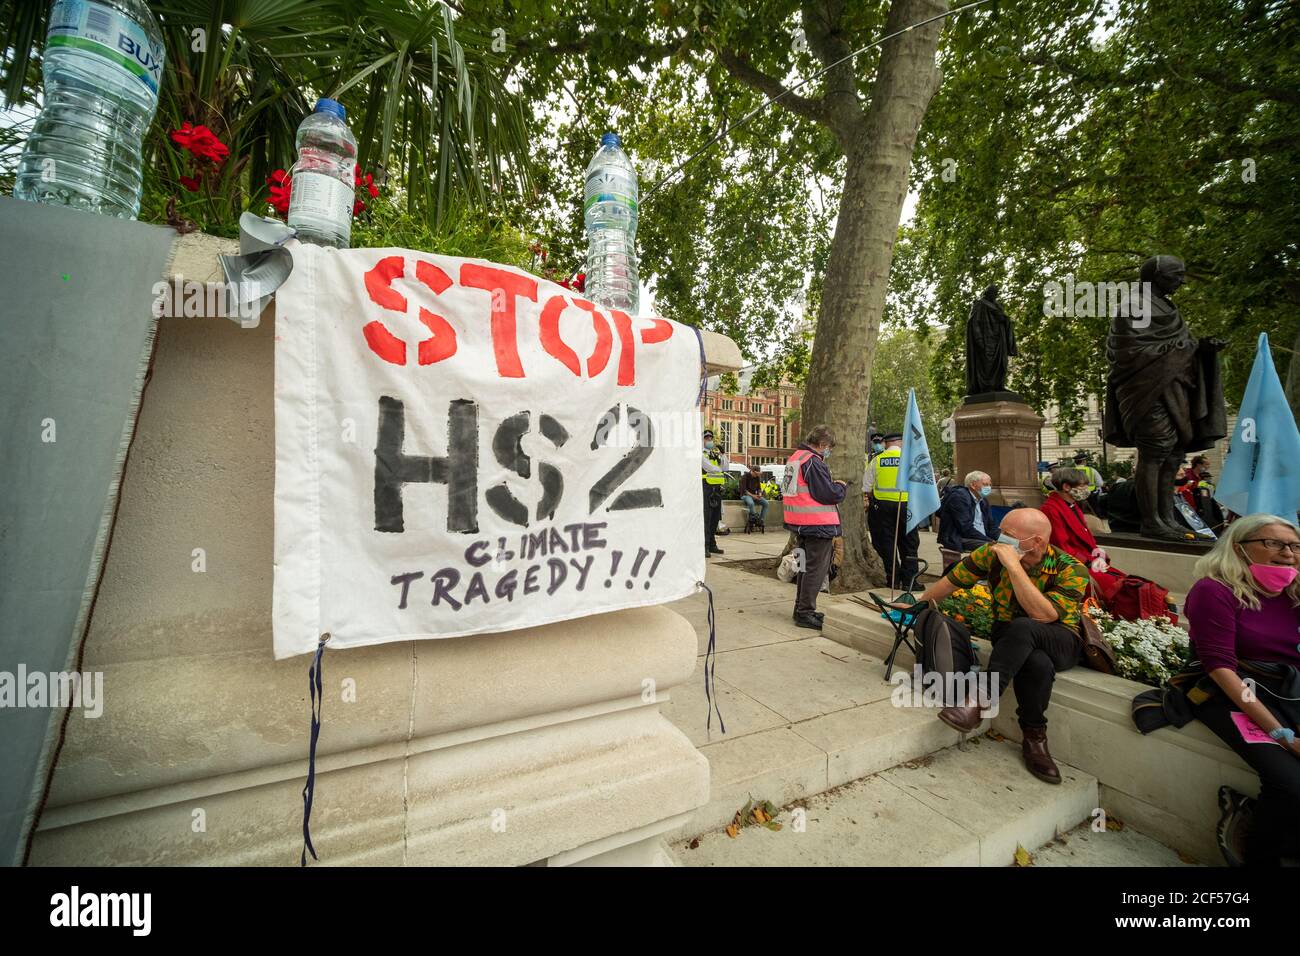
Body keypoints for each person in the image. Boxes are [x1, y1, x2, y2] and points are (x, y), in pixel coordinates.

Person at [902, 509, 1090, 784]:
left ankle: (978, 701)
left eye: (1010, 536)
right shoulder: (991, 554)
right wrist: (916, 605)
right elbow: (952, 582)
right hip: (1011, 634)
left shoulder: (1070, 568)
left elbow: (1045, 616)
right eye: (1000, 532)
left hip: (1059, 637)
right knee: (1036, 661)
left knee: (1025, 626)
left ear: (1036, 541)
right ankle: (1034, 738)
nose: (1000, 540)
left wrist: (1014, 566)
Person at [1182, 515, 1300, 866]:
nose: (1287, 553)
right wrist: (1283, 735)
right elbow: (1221, 670)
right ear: (1239, 548)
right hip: (1231, 694)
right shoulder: (1214, 591)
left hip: (1288, 692)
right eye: (1273, 543)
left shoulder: (1294, 595)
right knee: (1291, 784)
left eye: (1294, 546)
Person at [783, 425, 848, 630]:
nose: (829, 452)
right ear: (822, 444)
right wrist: (840, 486)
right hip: (817, 525)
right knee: (815, 569)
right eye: (829, 448)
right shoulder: (812, 461)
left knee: (803, 567)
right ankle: (805, 612)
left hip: (798, 524)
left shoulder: (795, 458)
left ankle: (801, 608)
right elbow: (827, 494)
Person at [1040, 466, 1127, 605]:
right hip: (1069, 563)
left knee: (1123, 580)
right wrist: (1088, 562)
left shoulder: (1072, 505)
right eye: (1082, 486)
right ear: (1066, 487)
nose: (1086, 489)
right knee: (1113, 586)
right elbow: (1061, 546)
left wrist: (1096, 555)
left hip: (1084, 558)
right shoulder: (1051, 509)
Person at [865, 431, 919, 589]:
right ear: (901, 443)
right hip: (907, 507)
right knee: (909, 544)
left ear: (886, 444)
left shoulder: (877, 460)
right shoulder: (911, 460)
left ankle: (893, 580)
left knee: (886, 544)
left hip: (882, 508)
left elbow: (867, 487)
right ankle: (910, 582)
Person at [937, 470, 1000, 553]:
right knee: (997, 549)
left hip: (981, 538)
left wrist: (1007, 540)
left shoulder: (983, 501)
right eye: (985, 484)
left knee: (1013, 545)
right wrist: (991, 541)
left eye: (990, 485)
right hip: (960, 539)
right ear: (973, 485)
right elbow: (966, 528)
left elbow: (991, 526)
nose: (989, 488)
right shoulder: (959, 497)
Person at [701, 430, 726, 558]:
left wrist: (723, 454)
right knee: (707, 518)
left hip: (716, 488)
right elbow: (708, 467)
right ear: (702, 440)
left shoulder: (715, 454)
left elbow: (725, 467)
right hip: (706, 487)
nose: (709, 440)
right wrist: (719, 468)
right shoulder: (701, 454)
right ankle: (705, 546)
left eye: (711, 438)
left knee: (715, 518)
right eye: (707, 438)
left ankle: (712, 544)